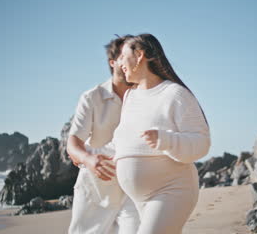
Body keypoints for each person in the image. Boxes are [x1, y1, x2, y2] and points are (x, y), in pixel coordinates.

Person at [112, 33, 211, 234]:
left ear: (140, 55)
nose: (119, 62)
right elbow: (127, 141)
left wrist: (166, 140)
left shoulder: (175, 94)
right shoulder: (130, 97)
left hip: (171, 190)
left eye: (123, 55)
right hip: (139, 198)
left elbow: (202, 142)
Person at [67, 35, 139, 234]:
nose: (131, 62)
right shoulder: (92, 97)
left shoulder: (144, 96)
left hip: (133, 188)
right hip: (96, 189)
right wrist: (88, 159)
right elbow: (73, 143)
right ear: (113, 62)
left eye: (134, 56)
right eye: (126, 56)